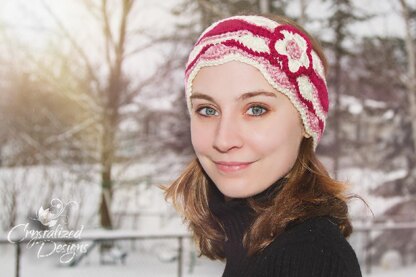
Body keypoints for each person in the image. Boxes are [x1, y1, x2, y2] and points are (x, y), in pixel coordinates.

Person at [165, 13, 363, 277]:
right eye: (207, 110)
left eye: (256, 109)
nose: (223, 140)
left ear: (306, 123)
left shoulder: (311, 257)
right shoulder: (250, 243)